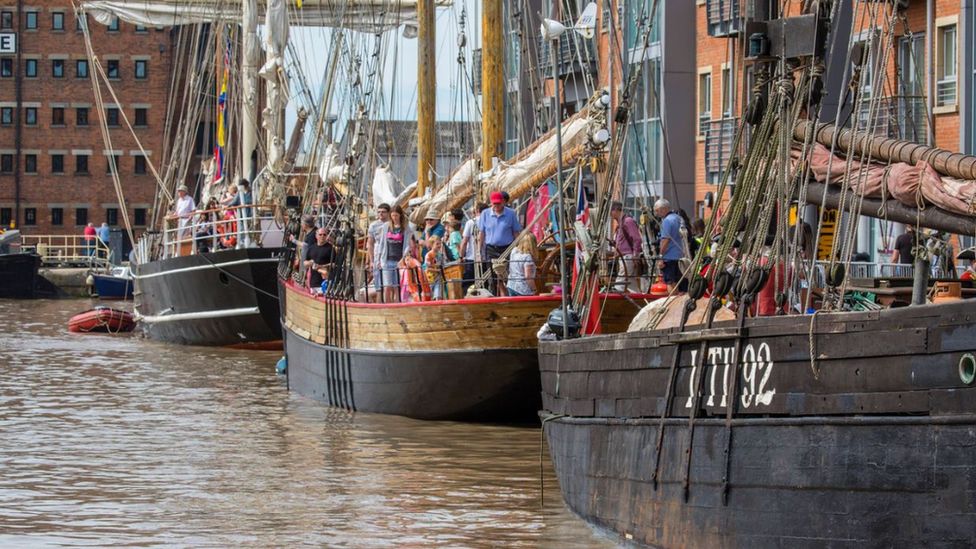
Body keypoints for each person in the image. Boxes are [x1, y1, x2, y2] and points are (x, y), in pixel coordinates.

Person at [478, 191, 522, 295]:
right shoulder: (485, 214)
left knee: (508, 274)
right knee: (493, 276)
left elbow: (516, 232)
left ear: (503, 202)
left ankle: (510, 294)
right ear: (491, 203)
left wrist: (519, 248)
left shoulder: (510, 213)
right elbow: (482, 233)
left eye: (498, 203)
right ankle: (496, 296)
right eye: (494, 204)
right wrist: (479, 250)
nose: (496, 206)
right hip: (491, 248)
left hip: (507, 248)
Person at [376, 205, 416, 303]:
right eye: (392, 216)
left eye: (396, 216)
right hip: (387, 259)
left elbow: (407, 245)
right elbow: (382, 244)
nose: (394, 218)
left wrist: (403, 258)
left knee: (397, 286)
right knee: (387, 286)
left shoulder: (406, 228)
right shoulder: (386, 227)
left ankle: (397, 304)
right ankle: (387, 305)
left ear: (400, 216)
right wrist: (378, 259)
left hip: (399, 260)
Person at [610, 201, 644, 293]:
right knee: (631, 284)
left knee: (620, 284)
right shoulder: (620, 224)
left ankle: (613, 300)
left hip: (628, 257)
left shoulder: (628, 221)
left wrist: (635, 255)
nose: (610, 214)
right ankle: (640, 299)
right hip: (623, 257)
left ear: (616, 210)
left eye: (611, 210)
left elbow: (637, 239)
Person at [655, 198, 686, 292]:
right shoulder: (679, 218)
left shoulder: (667, 221)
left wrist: (660, 256)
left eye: (657, 210)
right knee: (680, 284)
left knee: (670, 283)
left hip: (670, 258)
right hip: (681, 256)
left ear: (664, 209)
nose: (656, 213)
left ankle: (672, 303)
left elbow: (665, 240)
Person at [461, 202, 489, 293]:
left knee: (468, 284)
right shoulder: (488, 221)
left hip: (471, 258)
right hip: (485, 258)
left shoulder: (470, 223)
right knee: (485, 284)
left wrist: (461, 256)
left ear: (477, 210)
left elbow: (464, 241)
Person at [365, 203, 391, 296]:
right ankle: (380, 302)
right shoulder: (373, 225)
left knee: (390, 282)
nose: (381, 214)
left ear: (388, 213)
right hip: (378, 251)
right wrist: (371, 261)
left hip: (390, 252)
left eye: (383, 212)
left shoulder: (392, 224)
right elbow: (370, 243)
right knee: (378, 282)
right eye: (379, 212)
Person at [424, 235, 447, 300]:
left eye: (440, 243)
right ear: (432, 244)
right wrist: (438, 270)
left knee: (438, 294)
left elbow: (443, 264)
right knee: (430, 293)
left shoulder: (440, 255)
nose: (439, 245)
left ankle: (438, 302)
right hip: (430, 278)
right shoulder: (429, 255)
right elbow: (427, 268)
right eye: (437, 244)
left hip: (438, 277)